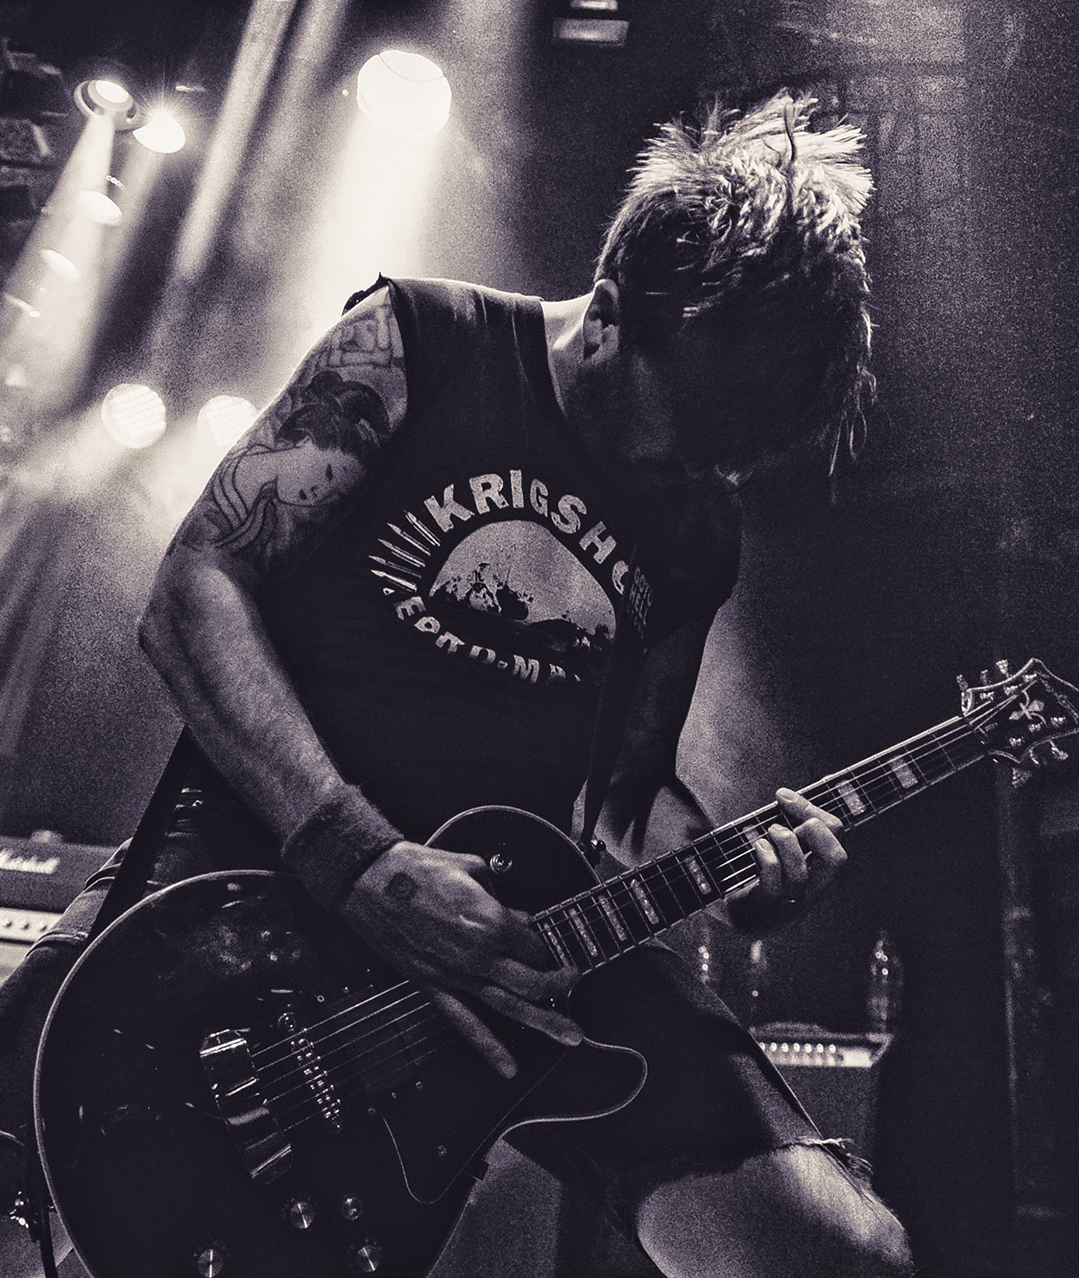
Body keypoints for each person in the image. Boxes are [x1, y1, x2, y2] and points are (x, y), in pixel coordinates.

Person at [138, 92, 912, 1277]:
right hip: (261, 882)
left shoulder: (700, 523)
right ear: (608, 315)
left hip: (517, 931)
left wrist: (740, 879)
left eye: (723, 458)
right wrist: (355, 858)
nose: (691, 476)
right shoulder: (418, 344)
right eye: (679, 434)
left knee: (839, 1255)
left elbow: (625, 803)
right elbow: (196, 586)